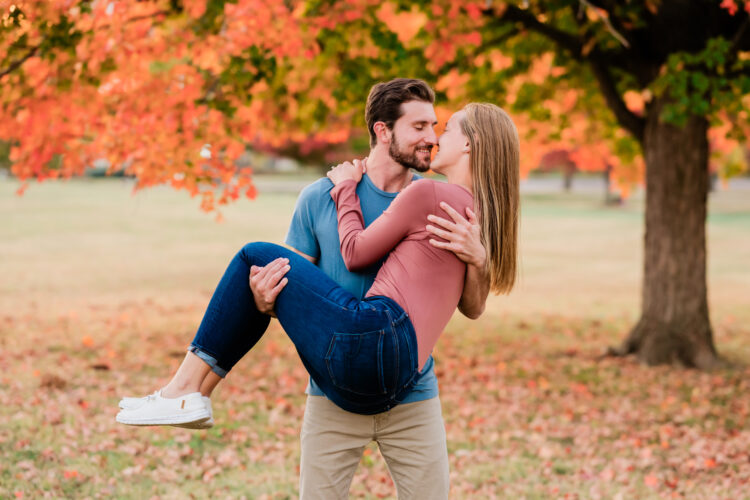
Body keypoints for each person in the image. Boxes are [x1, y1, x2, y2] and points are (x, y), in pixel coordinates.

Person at [120, 102, 518, 499]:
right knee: (262, 272)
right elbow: (293, 291)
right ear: (383, 131)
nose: (434, 137)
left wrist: (345, 189)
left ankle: (185, 391)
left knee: (253, 255)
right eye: (422, 126)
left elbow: (358, 253)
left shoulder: (428, 193)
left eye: (444, 128)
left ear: (471, 144)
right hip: (385, 369)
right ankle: (192, 395)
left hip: (378, 348)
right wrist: (261, 300)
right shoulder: (478, 214)